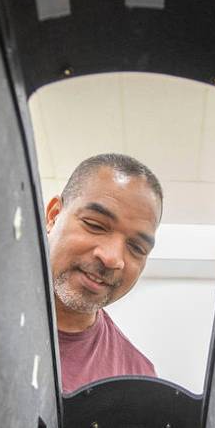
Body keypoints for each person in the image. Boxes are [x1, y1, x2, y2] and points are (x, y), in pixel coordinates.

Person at [46, 153, 162, 394]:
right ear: (53, 216)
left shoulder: (138, 381)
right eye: (95, 225)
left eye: (137, 248)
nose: (112, 258)